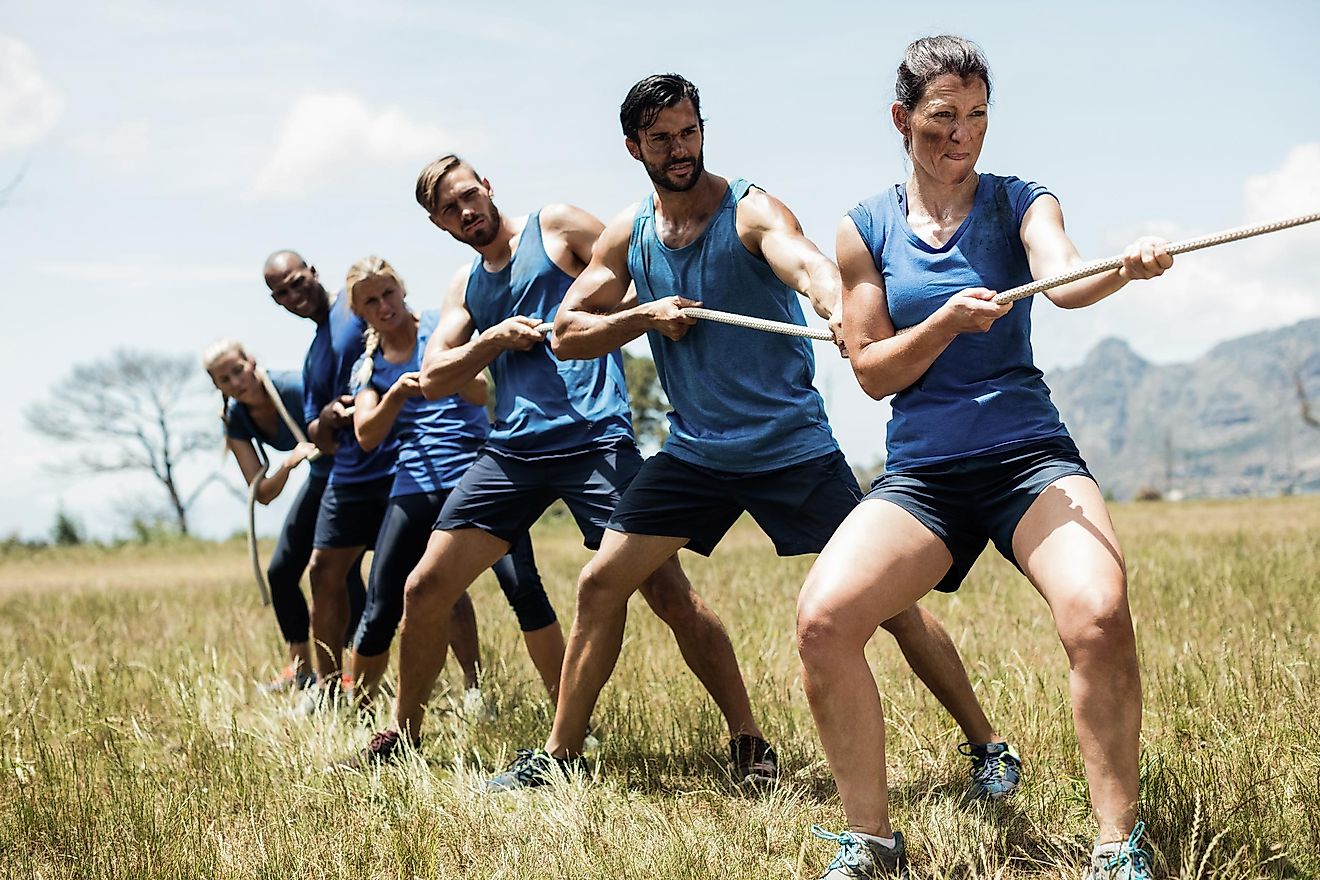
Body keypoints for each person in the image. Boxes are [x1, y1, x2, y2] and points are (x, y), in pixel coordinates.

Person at [513, 73, 1015, 796]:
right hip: (696, 452)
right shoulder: (631, 234)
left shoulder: (749, 211)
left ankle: (988, 745)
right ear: (634, 147)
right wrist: (643, 318)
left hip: (791, 449)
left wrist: (840, 308)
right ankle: (561, 757)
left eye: (689, 132)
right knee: (600, 584)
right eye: (662, 139)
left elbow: (807, 264)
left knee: (892, 605)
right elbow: (567, 332)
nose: (680, 149)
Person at [798, 35, 1171, 879]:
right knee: (824, 621)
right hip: (923, 476)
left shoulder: (1020, 201)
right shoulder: (865, 229)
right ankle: (872, 843)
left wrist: (1123, 270)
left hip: (1027, 457)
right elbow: (869, 373)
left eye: (976, 117)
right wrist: (940, 325)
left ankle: (1118, 847)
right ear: (902, 119)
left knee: (1099, 615)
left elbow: (1066, 278)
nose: (961, 134)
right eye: (941, 117)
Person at [351, 155, 769, 781]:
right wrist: (492, 340)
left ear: (488, 185)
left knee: (667, 593)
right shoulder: (465, 289)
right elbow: (434, 377)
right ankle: (406, 735)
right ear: (439, 224)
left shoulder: (558, 226)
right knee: (423, 588)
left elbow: (636, 270)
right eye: (449, 209)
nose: (466, 211)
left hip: (596, 440)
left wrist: (600, 323)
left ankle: (749, 740)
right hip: (512, 453)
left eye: (469, 195)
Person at [262, 251, 479, 711]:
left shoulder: (359, 304)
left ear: (313, 273)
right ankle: (329, 688)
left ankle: (472, 686)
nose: (293, 295)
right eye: (280, 292)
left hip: (405, 464)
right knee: (324, 571)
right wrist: (327, 416)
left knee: (438, 579)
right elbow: (316, 434)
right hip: (352, 472)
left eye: (297, 281)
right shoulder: (314, 355)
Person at [343, 255, 554, 714]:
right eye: (371, 302)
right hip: (413, 482)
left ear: (402, 291)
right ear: (360, 313)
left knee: (523, 587)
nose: (384, 306)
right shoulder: (366, 366)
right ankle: (358, 711)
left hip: (477, 470)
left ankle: (555, 711)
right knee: (383, 603)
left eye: (388, 293)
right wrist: (398, 391)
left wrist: (444, 375)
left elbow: (481, 392)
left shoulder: (440, 329)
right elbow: (366, 435)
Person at [201, 338, 353, 693]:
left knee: (340, 573)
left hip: (350, 474)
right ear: (218, 387)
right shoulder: (235, 419)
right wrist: (287, 464)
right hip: (320, 477)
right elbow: (263, 494)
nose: (236, 382)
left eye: (238, 370)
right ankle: (300, 670)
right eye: (225, 379)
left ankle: (346, 672)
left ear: (252, 361)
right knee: (282, 571)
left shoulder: (293, 388)